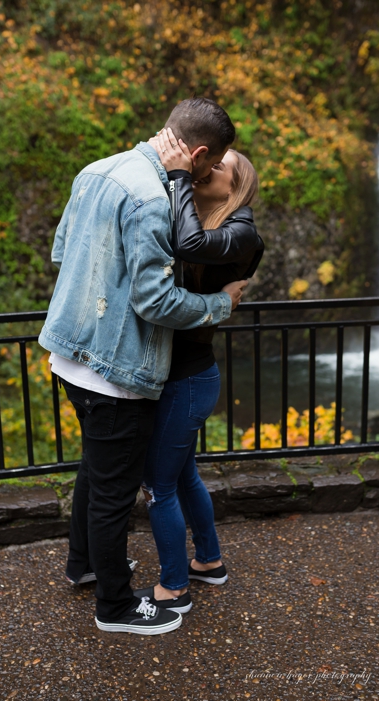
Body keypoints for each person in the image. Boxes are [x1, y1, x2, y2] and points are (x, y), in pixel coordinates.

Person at [45, 97, 248, 635]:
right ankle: (115, 607)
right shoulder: (153, 197)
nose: (201, 178)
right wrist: (220, 305)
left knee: (95, 471)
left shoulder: (98, 168)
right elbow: (155, 303)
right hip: (115, 371)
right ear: (199, 156)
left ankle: (84, 564)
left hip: (68, 356)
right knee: (114, 494)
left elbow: (64, 252)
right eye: (209, 165)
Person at [128, 128, 266, 615]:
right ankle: (208, 562)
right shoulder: (211, 225)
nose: (210, 168)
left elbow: (187, 241)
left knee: (158, 486)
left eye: (221, 166)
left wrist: (180, 174)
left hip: (189, 378)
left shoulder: (243, 231)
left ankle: (173, 589)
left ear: (235, 187)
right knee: (183, 476)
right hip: (184, 374)